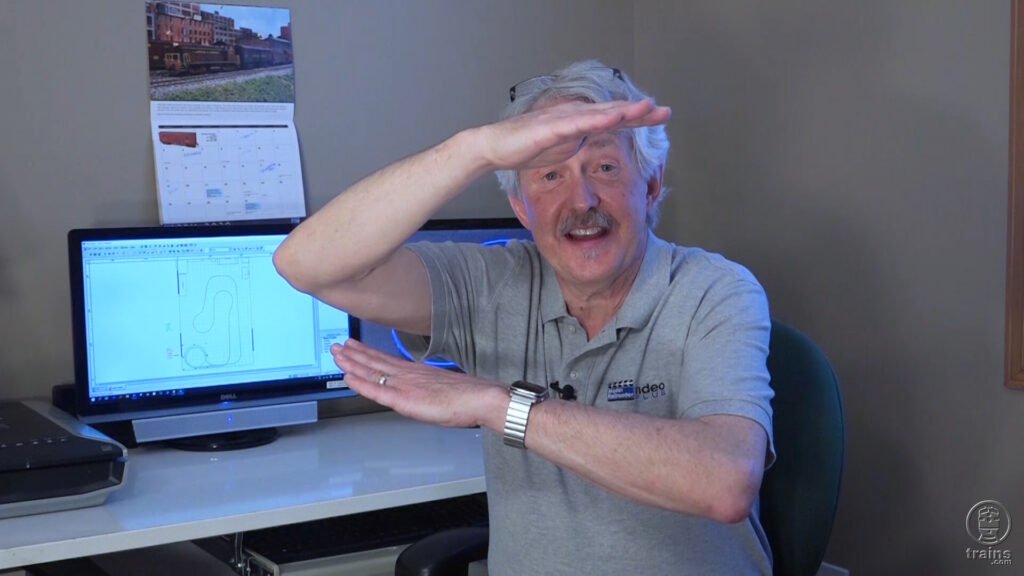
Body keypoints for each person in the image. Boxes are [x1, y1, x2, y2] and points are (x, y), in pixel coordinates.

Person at [274, 59, 775, 575]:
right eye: (550, 174)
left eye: (604, 167)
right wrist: (474, 149)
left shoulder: (714, 290)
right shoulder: (495, 283)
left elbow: (725, 481)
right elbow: (303, 264)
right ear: (520, 208)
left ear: (649, 186)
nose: (580, 200)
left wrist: (497, 405)